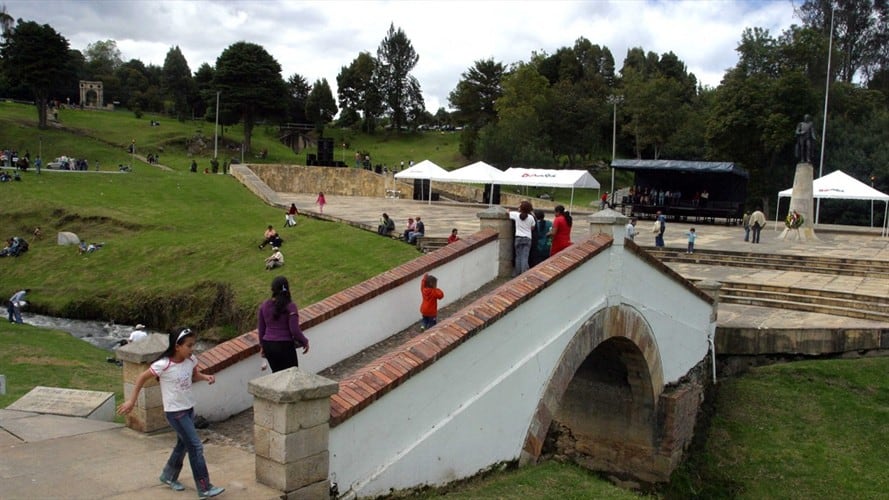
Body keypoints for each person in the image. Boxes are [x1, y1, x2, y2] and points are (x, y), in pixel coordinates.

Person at [116, 327, 225, 499]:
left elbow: (194, 375)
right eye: (189, 346)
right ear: (177, 346)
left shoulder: (191, 360)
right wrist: (131, 401)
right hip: (175, 413)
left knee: (183, 445)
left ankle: (168, 475)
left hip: (188, 409)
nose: (192, 349)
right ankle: (204, 487)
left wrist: (206, 377)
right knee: (195, 446)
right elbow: (141, 378)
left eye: (193, 345)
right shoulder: (163, 364)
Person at [257, 276, 310, 372]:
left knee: (277, 375)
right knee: (292, 375)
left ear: (272, 289)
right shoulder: (291, 306)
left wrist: (262, 345)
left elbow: (261, 329)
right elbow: (294, 330)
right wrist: (304, 341)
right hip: (285, 346)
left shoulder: (264, 306)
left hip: (269, 345)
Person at [509, 200, 536, 275]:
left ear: (521, 208)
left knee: (518, 256)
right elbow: (532, 227)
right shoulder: (531, 217)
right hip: (527, 238)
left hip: (518, 237)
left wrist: (508, 210)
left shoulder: (516, 215)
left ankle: (517, 272)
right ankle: (524, 273)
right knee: (525, 256)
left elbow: (507, 213)